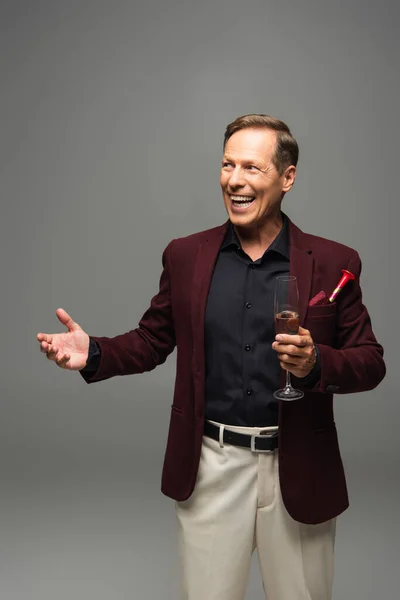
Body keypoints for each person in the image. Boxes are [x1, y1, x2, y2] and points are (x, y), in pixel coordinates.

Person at [37, 114, 386, 600]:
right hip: (211, 469)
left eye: (251, 167)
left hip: (301, 468)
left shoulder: (333, 262)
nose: (235, 180)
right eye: (227, 164)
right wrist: (93, 352)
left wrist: (317, 364)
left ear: (288, 178)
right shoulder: (185, 256)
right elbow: (152, 339)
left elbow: (371, 360)